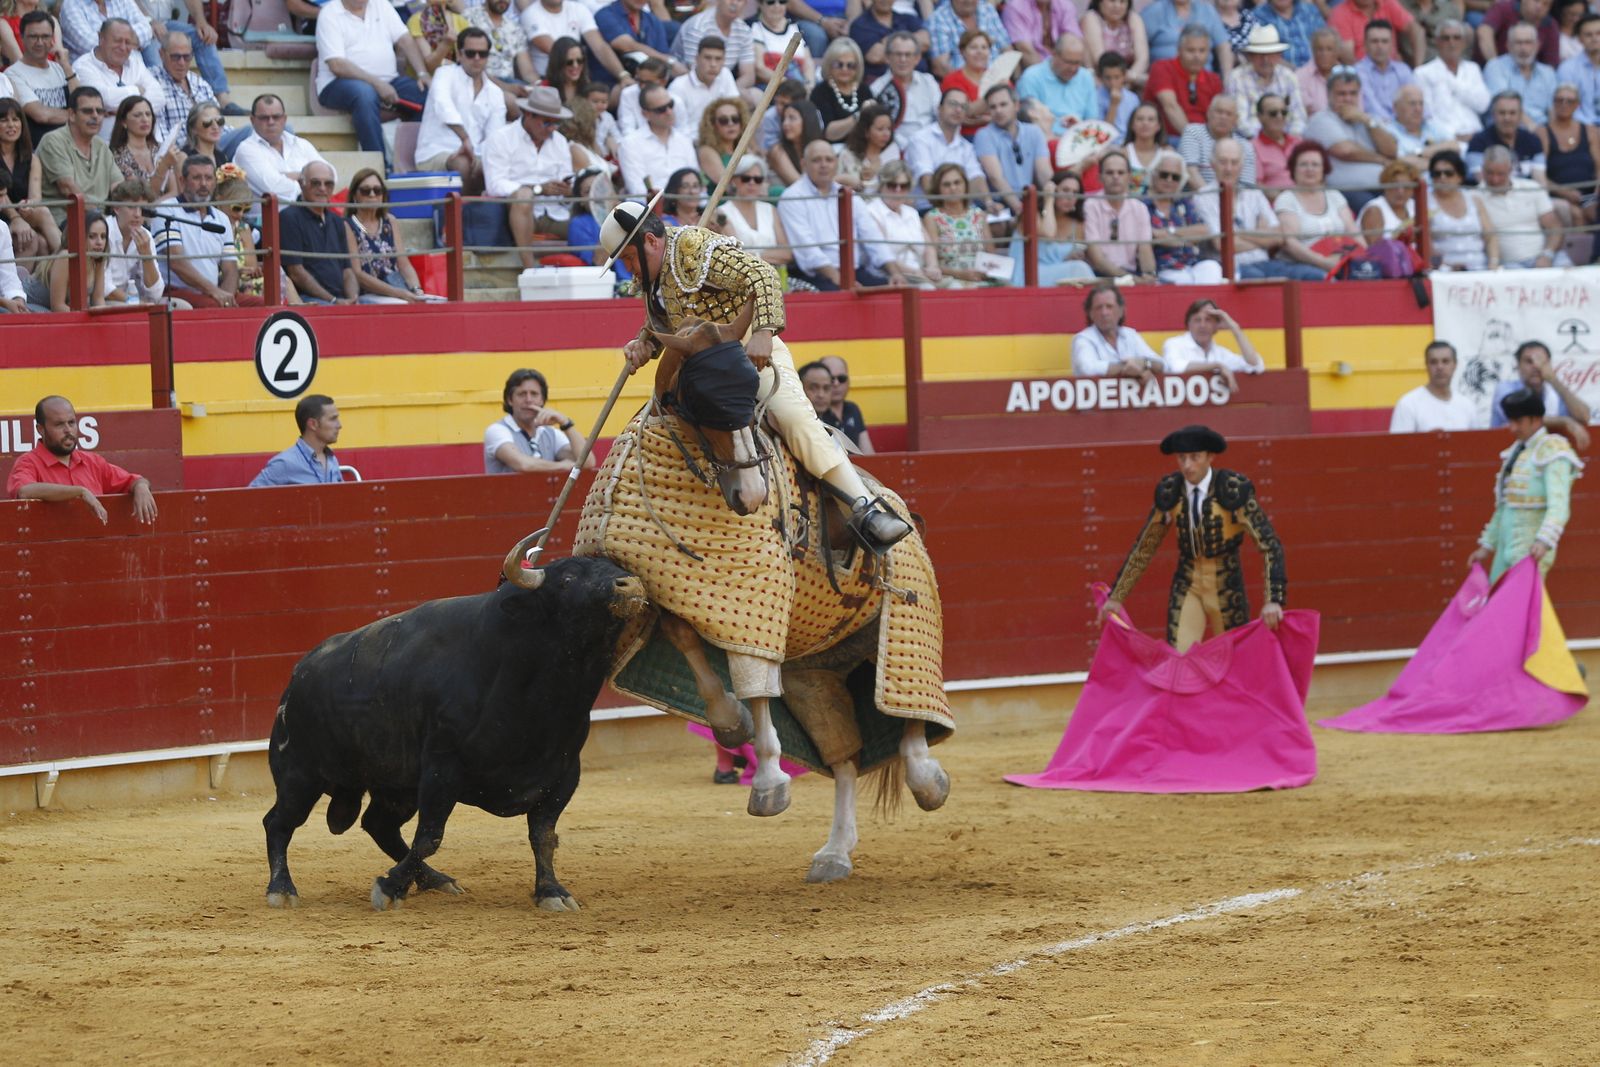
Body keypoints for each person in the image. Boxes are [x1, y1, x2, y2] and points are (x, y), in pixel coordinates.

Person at [599, 198, 912, 549]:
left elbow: (761, 274)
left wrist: (764, 332)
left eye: (628, 258)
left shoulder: (694, 247)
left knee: (793, 417)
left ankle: (863, 508)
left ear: (651, 243)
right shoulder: (655, 272)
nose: (629, 270)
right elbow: (669, 318)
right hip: (699, 368)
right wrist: (645, 343)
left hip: (746, 356)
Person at [1099, 424, 1286, 651]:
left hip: (1226, 585)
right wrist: (1117, 596)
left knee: (1234, 663)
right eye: (1182, 458)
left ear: (1210, 456)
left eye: (1194, 457)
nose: (1187, 465)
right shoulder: (1171, 492)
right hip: (1188, 584)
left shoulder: (1233, 491)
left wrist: (1273, 599)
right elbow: (1145, 547)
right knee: (1178, 659)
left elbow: (1270, 545)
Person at [1469, 386, 1584, 583]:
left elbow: (1559, 506)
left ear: (1536, 420)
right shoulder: (1516, 451)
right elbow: (1504, 507)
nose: (1513, 427)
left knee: (1521, 609)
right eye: (1511, 421)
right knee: (1499, 606)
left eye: (1518, 421)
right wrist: (1487, 547)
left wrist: (1544, 541)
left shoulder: (1554, 451)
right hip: (1505, 546)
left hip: (1531, 548)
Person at [7, 394, 158, 524]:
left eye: (71, 422)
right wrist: (79, 492)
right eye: (59, 424)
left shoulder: (92, 461)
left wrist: (142, 487)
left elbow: (133, 480)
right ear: (41, 429)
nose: (68, 430)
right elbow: (24, 491)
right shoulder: (28, 462)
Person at [314, 0, 432, 158]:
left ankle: (410, 160)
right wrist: (377, 84)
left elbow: (405, 39)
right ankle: (378, 165)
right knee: (364, 94)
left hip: (388, 80)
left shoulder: (381, 5)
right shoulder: (329, 13)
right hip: (336, 85)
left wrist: (422, 74)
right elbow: (337, 65)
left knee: (428, 95)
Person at [486, 88, 583, 267]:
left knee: (599, 212)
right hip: (515, 211)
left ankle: (603, 272)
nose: (552, 128)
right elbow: (495, 184)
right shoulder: (501, 138)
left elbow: (566, 176)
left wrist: (570, 189)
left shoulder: (559, 140)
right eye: (547, 122)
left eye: (557, 123)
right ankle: (529, 269)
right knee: (523, 197)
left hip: (556, 211)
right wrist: (537, 189)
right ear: (529, 115)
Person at [778, 137, 889, 288]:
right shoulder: (792, 197)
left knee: (892, 290)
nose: (824, 165)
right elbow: (807, 250)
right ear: (804, 164)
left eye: (829, 160)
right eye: (817, 160)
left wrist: (894, 272)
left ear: (836, 163)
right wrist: (841, 280)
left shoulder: (849, 195)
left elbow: (872, 237)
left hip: (854, 271)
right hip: (817, 276)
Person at [154, 154, 261, 308]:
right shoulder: (167, 209)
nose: (203, 184)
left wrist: (226, 296)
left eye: (209, 178)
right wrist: (214, 292)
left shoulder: (222, 218)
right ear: (182, 182)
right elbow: (176, 262)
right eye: (197, 178)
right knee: (212, 306)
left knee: (265, 305)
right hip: (176, 292)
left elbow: (230, 268)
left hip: (213, 293)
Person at [414, 27, 505, 189]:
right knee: (463, 164)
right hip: (435, 152)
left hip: (475, 153)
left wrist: (481, 158)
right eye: (471, 53)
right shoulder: (444, 74)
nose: (477, 58)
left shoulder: (495, 92)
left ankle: (481, 211)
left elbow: (494, 136)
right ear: (460, 54)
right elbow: (444, 108)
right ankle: (464, 213)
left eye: (482, 54)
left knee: (494, 166)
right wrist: (465, 139)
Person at [1303, 69, 1398, 210]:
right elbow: (1346, 151)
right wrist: (1382, 160)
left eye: (1353, 93)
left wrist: (1366, 120)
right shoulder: (1321, 119)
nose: (1348, 99)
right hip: (1346, 190)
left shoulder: (1367, 120)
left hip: (1383, 185)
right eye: (1341, 94)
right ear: (1329, 95)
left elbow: (1391, 150)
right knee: (1373, 207)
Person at [344, 168, 436, 303]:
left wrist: (416, 289)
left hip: (397, 287)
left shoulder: (389, 221)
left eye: (377, 190)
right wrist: (400, 294)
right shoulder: (348, 225)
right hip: (371, 292)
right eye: (365, 191)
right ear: (354, 195)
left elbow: (404, 264)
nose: (372, 195)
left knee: (433, 304)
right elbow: (358, 274)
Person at [1274, 139, 1364, 272]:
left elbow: (1354, 233)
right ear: (1294, 169)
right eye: (1304, 164)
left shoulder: (1335, 195)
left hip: (1341, 260)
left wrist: (1365, 257)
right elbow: (1290, 244)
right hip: (1303, 264)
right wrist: (1324, 262)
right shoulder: (1286, 199)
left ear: (1324, 169)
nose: (1310, 169)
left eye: (1315, 164)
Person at [279, 161, 362, 305]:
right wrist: (334, 301)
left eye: (328, 184)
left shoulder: (337, 221)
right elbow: (296, 272)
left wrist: (353, 300)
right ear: (301, 184)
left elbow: (347, 270)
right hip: (309, 300)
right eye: (315, 183)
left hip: (340, 300)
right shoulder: (288, 218)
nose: (323, 188)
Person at [484, 367, 595, 474]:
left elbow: (588, 463)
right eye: (522, 394)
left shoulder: (552, 433)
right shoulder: (497, 430)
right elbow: (523, 464)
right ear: (510, 400)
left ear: (542, 400)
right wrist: (562, 466)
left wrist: (566, 424)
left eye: (534, 394)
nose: (528, 400)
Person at [37, 86, 119, 225]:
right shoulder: (53, 140)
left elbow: (118, 187)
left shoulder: (102, 146)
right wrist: (101, 220)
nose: (95, 116)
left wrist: (130, 210)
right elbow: (68, 188)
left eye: (99, 111)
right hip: (66, 220)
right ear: (72, 115)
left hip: (100, 222)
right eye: (87, 111)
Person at [1479, 143, 1570, 266]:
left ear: (1510, 170)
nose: (1495, 179)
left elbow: (1554, 227)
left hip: (1543, 256)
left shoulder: (1532, 188)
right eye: (1490, 173)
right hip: (1506, 264)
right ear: (1482, 170)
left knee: (1570, 271)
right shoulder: (1475, 196)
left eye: (1501, 174)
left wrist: (1547, 255)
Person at [231, 94, 332, 204]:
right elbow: (272, 188)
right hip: (268, 219)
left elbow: (332, 176)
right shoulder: (246, 149)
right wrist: (309, 179)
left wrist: (286, 176)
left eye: (276, 117)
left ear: (284, 119)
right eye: (264, 118)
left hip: (309, 215)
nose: (271, 122)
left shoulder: (301, 144)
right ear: (252, 120)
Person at [1143, 150, 1223, 283]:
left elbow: (1203, 230)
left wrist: (1168, 232)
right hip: (1162, 269)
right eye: (1164, 175)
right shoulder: (1142, 205)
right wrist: (1187, 238)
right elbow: (1150, 235)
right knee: (1183, 280)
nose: (1169, 180)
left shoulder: (1184, 202)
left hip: (1192, 265)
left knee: (1213, 268)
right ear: (1153, 175)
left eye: (1175, 177)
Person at [975, 84, 1052, 219]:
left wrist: (1052, 202)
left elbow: (1044, 173)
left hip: (1030, 201)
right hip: (1001, 206)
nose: (998, 110)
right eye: (993, 107)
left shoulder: (1034, 131)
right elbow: (996, 178)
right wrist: (1020, 209)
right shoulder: (983, 135)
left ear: (1016, 106)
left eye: (1003, 104)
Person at [72, 18, 159, 137]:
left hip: (147, 145)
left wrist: (121, 111)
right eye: (118, 41)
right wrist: (137, 90)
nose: (123, 47)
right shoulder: (82, 66)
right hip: (108, 148)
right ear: (101, 39)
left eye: (128, 42)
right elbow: (103, 99)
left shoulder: (135, 62)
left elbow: (159, 97)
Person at [861, 157, 941, 285]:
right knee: (927, 288)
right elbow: (882, 254)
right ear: (882, 186)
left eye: (904, 186)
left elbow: (929, 247)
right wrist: (916, 273)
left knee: (956, 288)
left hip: (920, 274)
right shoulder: (871, 212)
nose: (898, 190)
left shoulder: (912, 212)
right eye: (892, 185)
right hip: (888, 277)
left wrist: (933, 267)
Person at [1, 97, 62, 256]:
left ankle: (66, 262)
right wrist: (15, 218)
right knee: (37, 241)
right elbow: (1, 195)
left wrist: (30, 204)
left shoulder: (32, 159)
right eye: (4, 120)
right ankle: (69, 263)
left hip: (22, 214)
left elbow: (36, 197)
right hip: (3, 217)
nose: (11, 125)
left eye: (16, 119)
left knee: (41, 212)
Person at [1538, 82, 1600, 238]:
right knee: (1576, 214)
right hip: (1557, 194)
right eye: (1559, 100)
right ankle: (1583, 258)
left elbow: (1599, 167)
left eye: (1569, 101)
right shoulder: (1542, 132)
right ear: (1553, 102)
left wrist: (1594, 196)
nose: (1564, 104)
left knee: (1593, 210)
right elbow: (1539, 174)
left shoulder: (1591, 131)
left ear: (1577, 105)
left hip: (1588, 193)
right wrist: (1565, 192)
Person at [1083, 148, 1155, 282]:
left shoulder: (1140, 208)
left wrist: (1149, 275)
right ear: (1099, 178)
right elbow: (1096, 258)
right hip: (1098, 276)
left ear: (1129, 177)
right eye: (1110, 172)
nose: (1115, 177)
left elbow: (1145, 249)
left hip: (1130, 274)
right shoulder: (1090, 206)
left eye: (1120, 173)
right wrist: (1129, 279)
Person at [1161, 299, 1264, 391]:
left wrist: (1235, 328)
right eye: (1197, 320)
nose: (1202, 325)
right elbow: (1176, 367)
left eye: (1208, 320)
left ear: (1216, 326)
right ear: (1188, 324)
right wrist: (1217, 366)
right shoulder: (1174, 344)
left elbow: (1255, 365)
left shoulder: (1221, 353)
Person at [903, 88, 987, 199]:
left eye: (963, 107)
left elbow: (976, 177)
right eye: (953, 104)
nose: (958, 110)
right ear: (939, 108)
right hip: (927, 209)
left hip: (958, 209)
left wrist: (989, 202)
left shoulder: (966, 147)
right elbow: (926, 181)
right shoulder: (920, 139)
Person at [10, 11, 77, 146]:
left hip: (75, 144)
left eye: (45, 36)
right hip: (42, 149)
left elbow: (83, 101)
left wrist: (66, 67)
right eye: (33, 37)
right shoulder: (13, 74)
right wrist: (80, 117)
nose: (39, 42)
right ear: (22, 38)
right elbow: (41, 115)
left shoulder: (61, 68)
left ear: (52, 39)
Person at [249, 394, 346, 487]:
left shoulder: (331, 459)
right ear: (313, 424)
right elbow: (249, 497)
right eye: (333, 419)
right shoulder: (285, 463)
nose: (339, 425)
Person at [1489, 339, 1592, 426]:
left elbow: (1584, 417)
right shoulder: (1505, 388)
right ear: (1518, 365)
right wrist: (1564, 421)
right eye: (1529, 361)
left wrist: (1553, 380)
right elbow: (1523, 420)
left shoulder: (1555, 393)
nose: (1536, 366)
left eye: (1541, 361)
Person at [1228, 24, 1305, 139]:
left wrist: (1287, 139)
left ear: (1279, 55)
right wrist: (1269, 139)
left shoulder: (1288, 76)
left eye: (1270, 54)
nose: (1265, 60)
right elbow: (1240, 122)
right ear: (1250, 56)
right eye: (1260, 55)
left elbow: (1299, 118)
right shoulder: (1237, 77)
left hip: (1287, 141)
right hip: (1251, 142)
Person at [922, 161, 993, 287]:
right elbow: (932, 262)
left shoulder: (979, 215)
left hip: (979, 277)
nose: (953, 188)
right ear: (938, 189)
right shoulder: (932, 217)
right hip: (950, 278)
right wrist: (960, 274)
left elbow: (990, 254)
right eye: (946, 185)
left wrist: (982, 273)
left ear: (965, 185)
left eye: (957, 182)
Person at [618, 82, 697, 194]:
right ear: (645, 114)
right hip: (651, 208)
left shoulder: (684, 140)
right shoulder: (630, 143)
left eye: (671, 105)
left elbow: (696, 179)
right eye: (661, 109)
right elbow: (638, 190)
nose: (669, 112)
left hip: (686, 206)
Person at [1071, 282, 1162, 378]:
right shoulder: (1083, 339)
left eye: (1109, 306)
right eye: (1098, 308)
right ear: (1090, 313)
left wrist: (1145, 363)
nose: (1104, 313)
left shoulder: (1130, 334)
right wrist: (1131, 369)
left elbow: (1163, 365)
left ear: (1121, 311)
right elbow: (1088, 369)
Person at [1147, 24, 1223, 139]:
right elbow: (1170, 106)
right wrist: (1194, 140)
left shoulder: (1214, 79)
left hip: (1205, 140)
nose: (1197, 56)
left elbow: (1217, 117)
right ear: (1179, 50)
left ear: (1209, 53)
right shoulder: (1162, 68)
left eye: (1202, 51)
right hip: (1167, 138)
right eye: (1191, 50)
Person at [523, 0, 628, 84]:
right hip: (548, 78)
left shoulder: (578, 8)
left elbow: (599, 46)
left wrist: (622, 75)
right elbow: (555, 51)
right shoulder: (530, 13)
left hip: (577, 75)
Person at [1416, 19, 1488, 140]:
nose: (1452, 43)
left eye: (1456, 38)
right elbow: (1426, 116)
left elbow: (1483, 104)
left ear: (1464, 43)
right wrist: (1453, 137)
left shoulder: (1473, 69)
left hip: (1476, 135)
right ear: (1437, 42)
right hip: (1444, 139)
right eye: (1446, 38)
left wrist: (1456, 87)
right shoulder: (1423, 73)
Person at [1426, 147, 1498, 269]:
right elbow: (1425, 244)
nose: (1442, 178)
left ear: (1460, 176)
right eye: (1436, 174)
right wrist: (1446, 267)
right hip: (1444, 273)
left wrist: (1493, 263)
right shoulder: (1425, 202)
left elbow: (1490, 237)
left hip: (1479, 268)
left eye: (1448, 173)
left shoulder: (1474, 199)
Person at [1390, 340, 1480, 432]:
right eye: (1433, 362)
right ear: (1426, 365)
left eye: (1445, 361)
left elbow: (1476, 444)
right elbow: (1397, 446)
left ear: (1455, 365)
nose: (1440, 367)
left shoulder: (1467, 406)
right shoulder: (1408, 404)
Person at [721, 154, 793, 269]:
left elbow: (786, 253)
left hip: (775, 279)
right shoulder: (722, 212)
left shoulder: (770, 210)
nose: (752, 183)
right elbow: (734, 256)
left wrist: (754, 255)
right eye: (746, 178)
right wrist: (769, 256)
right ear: (734, 180)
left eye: (758, 179)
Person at [1016, 33, 1096, 135]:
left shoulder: (1085, 77)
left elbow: (1092, 121)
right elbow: (1029, 125)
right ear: (1054, 55)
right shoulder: (1031, 78)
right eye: (1069, 62)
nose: (1073, 68)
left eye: (1077, 63)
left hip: (1080, 139)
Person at [592, 0, 681, 88]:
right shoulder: (605, 15)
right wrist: (670, 62)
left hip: (650, 83)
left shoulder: (653, 20)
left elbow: (662, 56)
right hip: (611, 85)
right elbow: (626, 45)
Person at [672, 0, 757, 93]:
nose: (734, 3)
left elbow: (748, 75)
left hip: (725, 85)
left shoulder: (744, 30)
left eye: (739, 0)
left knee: (756, 95)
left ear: (745, 4)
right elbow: (695, 70)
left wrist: (731, 91)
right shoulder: (698, 27)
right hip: (691, 85)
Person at [102, 176, 163, 304]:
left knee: (182, 307)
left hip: (135, 300)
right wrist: (135, 302)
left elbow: (156, 293)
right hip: (107, 301)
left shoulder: (145, 235)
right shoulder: (103, 231)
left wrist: (147, 257)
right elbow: (104, 288)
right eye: (131, 207)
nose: (137, 214)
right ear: (116, 208)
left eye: (142, 209)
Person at [1029, 169, 1096, 284]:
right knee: (1079, 268)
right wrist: (1049, 200)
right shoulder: (1032, 214)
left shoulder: (1078, 224)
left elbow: (1078, 251)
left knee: (1079, 268)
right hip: (1030, 276)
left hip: (1061, 276)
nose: (1070, 197)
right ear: (1053, 190)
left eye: (1075, 192)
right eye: (1065, 190)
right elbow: (1049, 233)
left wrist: (1071, 257)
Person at [149, 29, 215, 146]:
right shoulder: (152, 81)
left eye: (187, 57)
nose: (182, 62)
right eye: (175, 57)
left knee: (246, 134)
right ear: (161, 54)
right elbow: (160, 134)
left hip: (212, 143)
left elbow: (218, 119)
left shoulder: (199, 83)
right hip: (182, 149)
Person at [1483, 23, 1558, 126]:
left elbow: (1553, 109)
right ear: (1508, 46)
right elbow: (1505, 105)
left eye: (1528, 42)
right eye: (1518, 43)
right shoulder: (1496, 67)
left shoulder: (1547, 72)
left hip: (1542, 130)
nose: (1523, 48)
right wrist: (1534, 130)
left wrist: (1551, 134)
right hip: (1506, 129)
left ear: (1537, 46)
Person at [869, 30, 939, 138]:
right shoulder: (877, 88)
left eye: (908, 54)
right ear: (887, 58)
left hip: (930, 145)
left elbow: (940, 115)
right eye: (898, 54)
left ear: (917, 58)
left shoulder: (929, 81)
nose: (903, 60)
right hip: (894, 148)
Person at [1180, 92, 1258, 188]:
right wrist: (1211, 199)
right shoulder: (1193, 132)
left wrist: (1229, 201)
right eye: (1219, 112)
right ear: (1209, 113)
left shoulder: (1245, 146)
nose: (1223, 117)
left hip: (1235, 200)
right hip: (1198, 199)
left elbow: (1247, 186)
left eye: (1228, 114)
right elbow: (1190, 173)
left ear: (1236, 119)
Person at [1466, 90, 1547, 177]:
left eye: (1512, 113)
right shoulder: (1478, 142)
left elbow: (1540, 179)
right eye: (1502, 113)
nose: (1507, 118)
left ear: (1520, 115)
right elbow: (1482, 181)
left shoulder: (1533, 141)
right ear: (1493, 114)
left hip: (1527, 190)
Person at [109, 95, 177, 198]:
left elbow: (175, 191)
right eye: (137, 115)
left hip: (166, 210)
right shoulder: (117, 155)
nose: (145, 119)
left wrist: (160, 208)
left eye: (148, 114)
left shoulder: (159, 148)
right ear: (124, 122)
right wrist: (163, 167)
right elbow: (144, 196)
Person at [925, 0, 1010, 80]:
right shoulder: (938, 18)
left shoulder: (988, 10)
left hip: (999, 79)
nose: (968, 1)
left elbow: (1007, 50)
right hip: (961, 85)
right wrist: (972, 83)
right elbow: (941, 67)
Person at [811, 36, 875, 142]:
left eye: (850, 65)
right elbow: (829, 133)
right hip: (831, 151)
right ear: (829, 65)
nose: (844, 69)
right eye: (839, 64)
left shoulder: (864, 90)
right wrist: (858, 115)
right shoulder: (820, 92)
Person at [670, 34, 739, 132]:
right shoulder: (678, 87)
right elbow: (678, 129)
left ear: (724, 60)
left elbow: (735, 109)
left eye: (718, 59)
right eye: (707, 58)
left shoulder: (725, 74)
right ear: (697, 59)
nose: (713, 64)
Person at [1143, 0, 1234, 72]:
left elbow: (1224, 47)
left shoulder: (1207, 11)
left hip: (1203, 80)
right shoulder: (1155, 11)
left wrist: (1227, 82)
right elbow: (1138, 45)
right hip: (1165, 80)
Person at [465, 0, 536, 92]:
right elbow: (468, 66)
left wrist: (538, 86)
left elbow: (527, 71)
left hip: (511, 84)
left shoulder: (515, 27)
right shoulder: (469, 18)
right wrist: (505, 87)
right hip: (479, 83)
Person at [852, 0, 928, 84]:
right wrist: (908, 42)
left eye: (907, 53)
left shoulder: (907, 18)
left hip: (918, 80)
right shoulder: (860, 25)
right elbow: (875, 56)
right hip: (881, 84)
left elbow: (925, 42)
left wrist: (886, 42)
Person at [1329, 0, 1424, 65]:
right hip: (1360, 76)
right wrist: (1373, 72)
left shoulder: (1387, 3)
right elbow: (1347, 56)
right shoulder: (1339, 13)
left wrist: (1418, 68)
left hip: (1393, 70)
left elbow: (1417, 31)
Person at [47, 207, 108, 309]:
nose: (99, 242)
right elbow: (57, 306)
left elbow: (98, 299)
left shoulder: (98, 259)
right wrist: (86, 322)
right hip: (33, 305)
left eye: (103, 236)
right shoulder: (65, 257)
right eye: (92, 236)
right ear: (79, 236)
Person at [835, 100, 899, 193]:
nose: (886, 134)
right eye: (880, 129)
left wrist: (880, 171)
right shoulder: (847, 155)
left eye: (889, 129)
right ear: (866, 131)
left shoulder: (893, 151)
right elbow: (833, 185)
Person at [1083, 0, 1150, 88]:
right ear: (1099, 2)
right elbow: (1099, 59)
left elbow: (1143, 59)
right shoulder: (1091, 18)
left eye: (1122, 2)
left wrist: (1131, 76)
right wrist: (1117, 79)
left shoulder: (1133, 18)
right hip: (1101, 79)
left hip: (1129, 79)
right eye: (1112, 1)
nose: (1117, 6)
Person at [1387, 83, 1457, 167]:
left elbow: (1454, 146)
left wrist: (1419, 153)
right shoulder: (1388, 131)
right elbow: (1401, 161)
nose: (1418, 109)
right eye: (1412, 104)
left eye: (1421, 103)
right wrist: (1438, 160)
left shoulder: (1431, 125)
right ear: (1395, 107)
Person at [752, 2, 816, 91]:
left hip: (800, 86)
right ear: (760, 4)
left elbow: (808, 62)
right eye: (771, 2)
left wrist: (809, 84)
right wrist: (790, 86)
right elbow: (759, 68)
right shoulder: (753, 27)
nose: (777, 6)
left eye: (782, 1)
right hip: (770, 87)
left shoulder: (796, 27)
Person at [1478, 0, 1562, 68]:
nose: (1539, 7)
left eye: (1546, 4)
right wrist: (1495, 64)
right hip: (1493, 68)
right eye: (1536, 1)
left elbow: (1551, 64)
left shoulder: (1551, 26)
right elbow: (1484, 31)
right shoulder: (1504, 8)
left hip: (1529, 76)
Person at [1002, 0, 1080, 70]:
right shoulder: (1015, 7)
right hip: (1034, 72)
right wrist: (1048, 78)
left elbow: (1074, 44)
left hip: (1065, 68)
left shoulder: (1065, 5)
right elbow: (1026, 52)